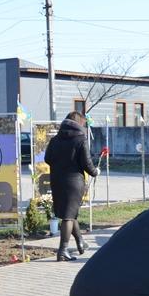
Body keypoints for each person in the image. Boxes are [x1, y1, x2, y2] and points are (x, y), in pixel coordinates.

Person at [45, 111, 99, 261]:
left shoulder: (55, 139)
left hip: (57, 180)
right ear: (80, 123)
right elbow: (87, 163)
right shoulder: (81, 139)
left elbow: (47, 158)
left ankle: (80, 242)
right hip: (74, 182)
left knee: (69, 213)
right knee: (68, 216)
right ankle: (62, 251)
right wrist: (95, 172)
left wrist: (60, 165)